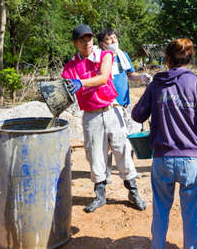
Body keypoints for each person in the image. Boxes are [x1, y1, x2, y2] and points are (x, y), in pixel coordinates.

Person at [131, 38, 197, 249]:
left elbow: (137, 115)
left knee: (161, 211)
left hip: (162, 160)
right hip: (191, 161)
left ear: (167, 59)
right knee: (191, 215)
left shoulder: (156, 86)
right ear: (189, 59)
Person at [61, 24, 146, 213]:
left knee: (122, 149)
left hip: (111, 109)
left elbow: (103, 77)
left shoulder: (105, 55)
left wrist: (80, 83)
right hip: (91, 115)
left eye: (89, 38)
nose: (87, 43)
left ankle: (133, 192)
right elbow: (66, 90)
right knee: (94, 154)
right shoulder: (70, 67)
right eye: (82, 40)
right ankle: (100, 196)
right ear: (75, 43)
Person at [97, 28, 152, 183]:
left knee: (128, 138)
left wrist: (142, 77)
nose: (114, 41)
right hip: (109, 105)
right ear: (102, 44)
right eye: (109, 39)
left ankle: (130, 170)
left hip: (124, 104)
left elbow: (130, 75)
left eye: (115, 38)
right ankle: (106, 173)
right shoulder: (100, 58)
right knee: (107, 141)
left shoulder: (123, 56)